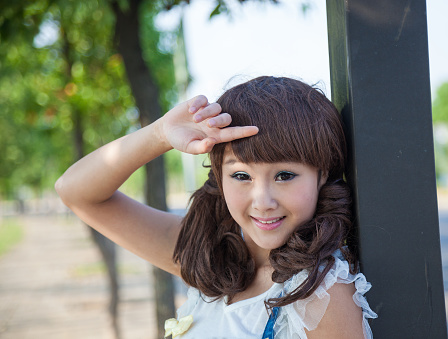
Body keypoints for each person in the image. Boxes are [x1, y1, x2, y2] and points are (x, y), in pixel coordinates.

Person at [55, 76, 377, 338]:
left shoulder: (320, 294)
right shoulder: (208, 256)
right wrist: (160, 134)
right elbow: (75, 192)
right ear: (219, 179)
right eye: (241, 175)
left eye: (284, 175)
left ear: (322, 175)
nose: (262, 201)